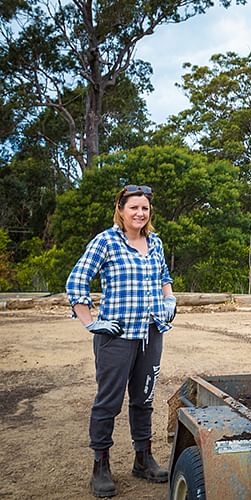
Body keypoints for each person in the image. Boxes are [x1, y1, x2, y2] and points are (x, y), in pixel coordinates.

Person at [66, 185, 176, 498]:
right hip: (116, 337)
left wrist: (170, 302)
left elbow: (164, 276)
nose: (140, 213)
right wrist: (91, 323)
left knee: (144, 399)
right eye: (134, 208)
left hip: (151, 334)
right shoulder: (106, 241)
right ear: (121, 209)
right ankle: (101, 465)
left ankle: (143, 459)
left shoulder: (155, 242)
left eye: (145, 208)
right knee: (109, 402)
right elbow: (77, 279)